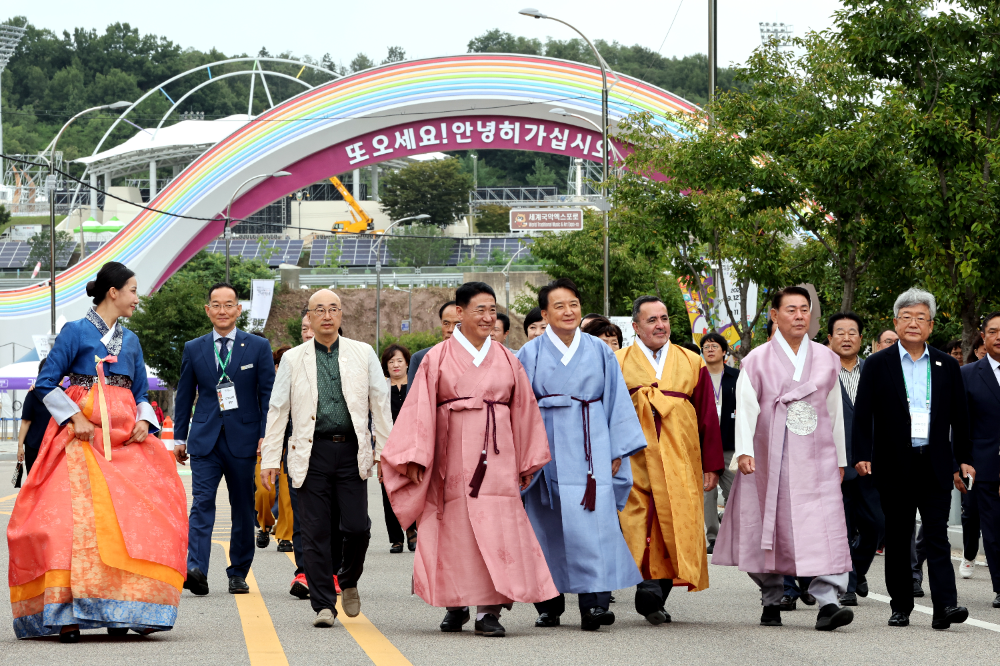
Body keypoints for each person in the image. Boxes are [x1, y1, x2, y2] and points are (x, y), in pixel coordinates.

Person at [7, 261, 187, 641]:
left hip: (124, 442)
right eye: (133, 290)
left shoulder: (132, 341)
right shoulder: (75, 332)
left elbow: (140, 392)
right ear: (113, 292)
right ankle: (66, 615)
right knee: (69, 525)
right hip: (80, 442)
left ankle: (120, 609)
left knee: (129, 523)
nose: (137, 298)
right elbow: (45, 382)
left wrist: (145, 420)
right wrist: (75, 417)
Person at [381, 282, 558, 638]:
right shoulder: (437, 357)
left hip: (498, 457)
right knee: (454, 528)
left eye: (493, 310)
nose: (488, 317)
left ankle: (488, 611)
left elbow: (523, 409)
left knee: (497, 528)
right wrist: (415, 456)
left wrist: (526, 460)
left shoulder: (507, 358)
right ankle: (455, 603)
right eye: (480, 310)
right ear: (460, 313)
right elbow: (419, 409)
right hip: (451, 456)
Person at [713, 286, 854, 631]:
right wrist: (744, 451)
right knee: (765, 523)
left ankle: (828, 601)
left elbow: (834, 412)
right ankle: (771, 597)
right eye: (791, 310)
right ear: (775, 315)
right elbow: (746, 408)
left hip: (816, 457)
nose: (799, 316)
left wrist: (840, 457)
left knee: (824, 525)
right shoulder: (757, 358)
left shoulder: (826, 357)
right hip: (768, 456)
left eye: (804, 309)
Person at [517, 279, 646, 631]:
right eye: (559, 306)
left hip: (592, 446)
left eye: (573, 304)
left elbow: (616, 399)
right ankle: (549, 604)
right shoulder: (529, 353)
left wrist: (617, 449)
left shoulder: (600, 350)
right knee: (547, 525)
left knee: (595, 525)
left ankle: (594, 605)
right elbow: (520, 408)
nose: (568, 311)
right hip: (546, 447)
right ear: (545, 314)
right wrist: (524, 457)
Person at [261, 289, 393, 628]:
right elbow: (278, 410)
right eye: (319, 310)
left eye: (333, 309)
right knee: (315, 531)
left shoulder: (363, 353)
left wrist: (385, 454)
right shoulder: (294, 359)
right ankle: (323, 604)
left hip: (351, 450)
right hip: (311, 452)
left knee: (358, 528)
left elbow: (380, 405)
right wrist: (270, 459)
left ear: (341, 314)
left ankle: (347, 579)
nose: (327, 315)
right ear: (309, 316)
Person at [853, 287, 973, 630]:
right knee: (899, 533)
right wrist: (861, 454)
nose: (913, 323)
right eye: (906, 317)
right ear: (895, 322)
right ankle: (901, 605)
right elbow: (863, 413)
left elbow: (960, 418)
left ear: (931, 325)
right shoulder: (878, 364)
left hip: (934, 462)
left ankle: (945, 606)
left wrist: (963, 459)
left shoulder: (947, 365)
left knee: (937, 535)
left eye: (921, 317)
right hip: (894, 463)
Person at [616, 296, 724, 625]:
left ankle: (656, 591)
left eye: (664, 318)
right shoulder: (618, 361)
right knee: (640, 520)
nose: (660, 325)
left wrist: (711, 464)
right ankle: (647, 584)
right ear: (636, 326)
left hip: (680, 456)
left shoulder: (691, 361)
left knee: (677, 520)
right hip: (635, 456)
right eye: (652, 320)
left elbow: (707, 415)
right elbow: (608, 412)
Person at [172, 282, 276, 597]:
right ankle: (196, 569)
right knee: (202, 503)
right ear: (208, 310)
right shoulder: (194, 347)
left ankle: (238, 572)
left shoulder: (258, 346)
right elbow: (184, 395)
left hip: (245, 440)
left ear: (238, 309)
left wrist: (266, 435)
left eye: (229, 304)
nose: (222, 310)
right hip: (205, 440)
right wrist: (179, 437)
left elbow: (268, 396)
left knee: (243, 507)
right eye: (216, 305)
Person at [828, 312, 884, 607]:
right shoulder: (821, 372)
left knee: (878, 525)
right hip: (833, 464)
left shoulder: (875, 370)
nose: (846, 337)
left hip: (871, 463)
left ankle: (857, 569)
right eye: (840, 332)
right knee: (842, 529)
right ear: (829, 338)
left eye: (852, 332)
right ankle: (847, 585)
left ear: (862, 339)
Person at [961, 311, 1000, 609]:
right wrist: (959, 462)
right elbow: (960, 425)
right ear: (983, 337)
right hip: (985, 466)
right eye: (993, 331)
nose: (999, 337)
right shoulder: (968, 374)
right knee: (994, 530)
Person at [699, 332, 738, 555]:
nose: (710, 350)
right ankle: (713, 538)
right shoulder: (697, 377)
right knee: (708, 493)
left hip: (730, 444)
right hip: (705, 446)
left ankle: (732, 533)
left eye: (714, 346)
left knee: (734, 492)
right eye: (706, 347)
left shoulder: (737, 377)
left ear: (724, 351)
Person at [254, 347, 296, 553]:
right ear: (276, 367)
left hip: (290, 446)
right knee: (264, 492)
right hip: (266, 445)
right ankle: (265, 524)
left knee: (287, 495)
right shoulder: (264, 388)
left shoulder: (301, 386)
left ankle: (285, 536)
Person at [380, 343, 417, 553]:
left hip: (412, 446)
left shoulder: (415, 386)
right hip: (389, 446)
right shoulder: (381, 388)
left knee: (411, 488)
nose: (396, 365)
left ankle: (411, 530)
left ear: (407, 363)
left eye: (399, 360)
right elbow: (376, 420)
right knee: (389, 491)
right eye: (391, 361)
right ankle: (396, 539)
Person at [407, 301, 459, 387]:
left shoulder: (478, 358)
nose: (451, 329)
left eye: (457, 324)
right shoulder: (421, 358)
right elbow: (413, 394)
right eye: (446, 324)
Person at [16, 357, 52, 476]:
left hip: (54, 448)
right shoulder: (33, 394)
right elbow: (25, 422)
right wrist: (20, 447)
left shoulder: (64, 393)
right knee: (33, 480)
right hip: (34, 447)